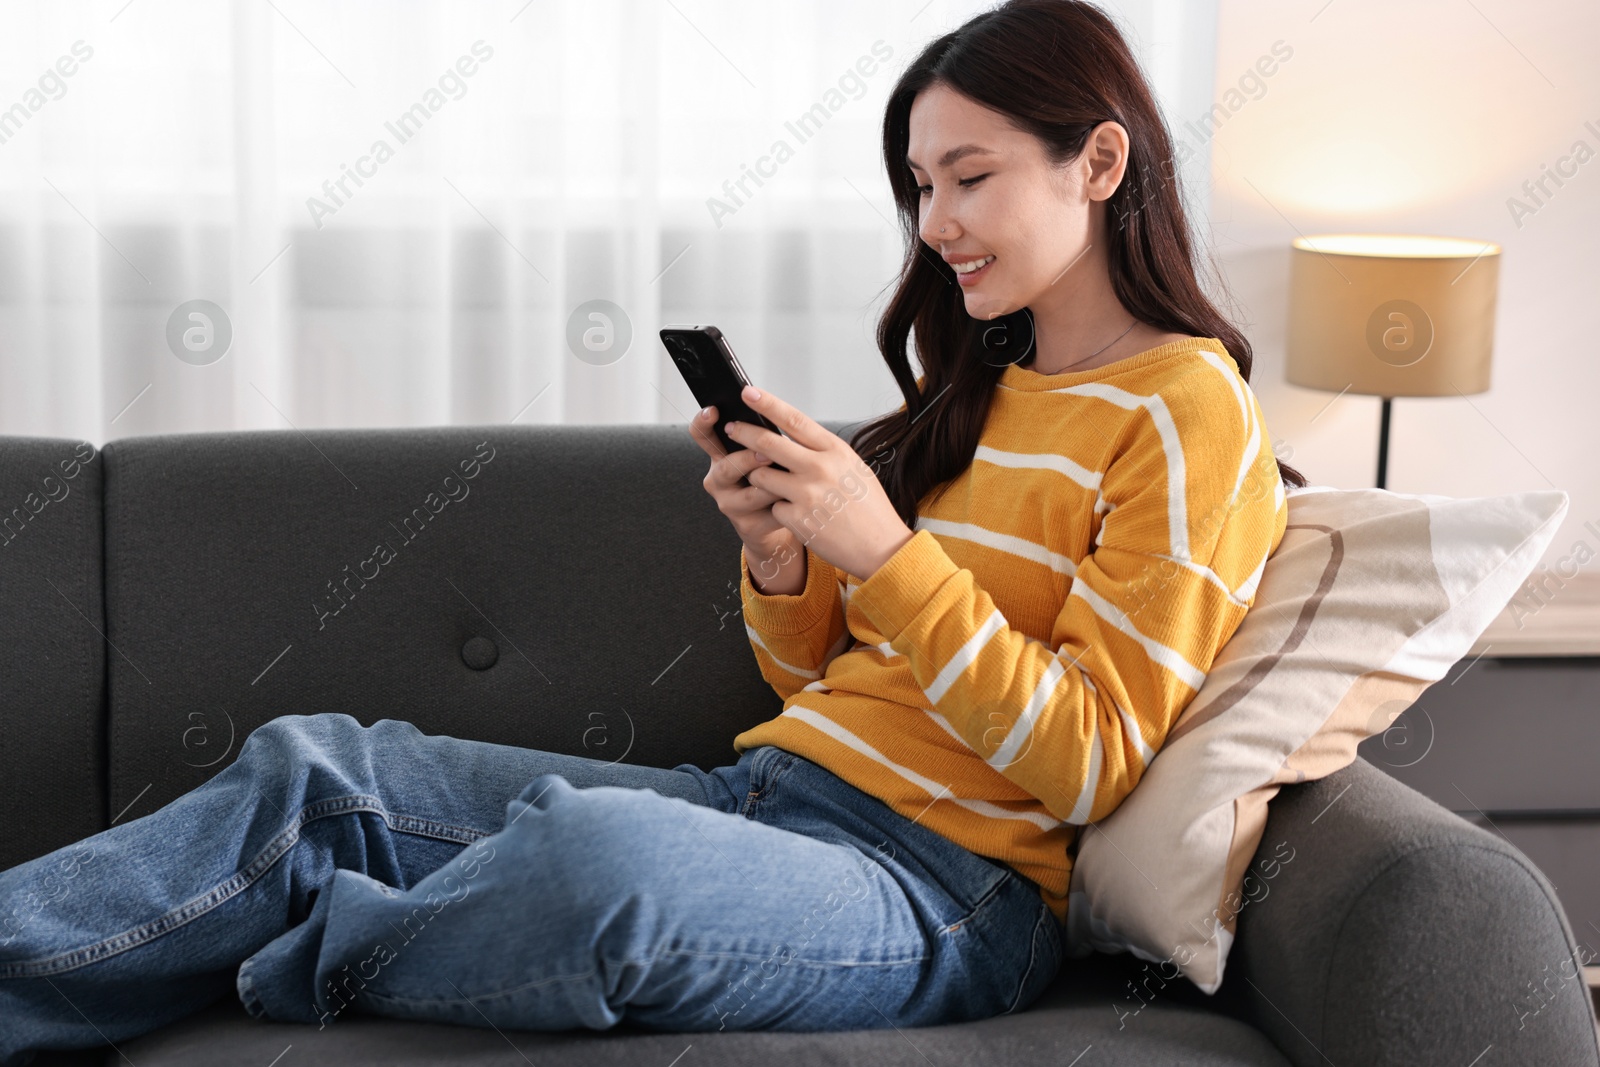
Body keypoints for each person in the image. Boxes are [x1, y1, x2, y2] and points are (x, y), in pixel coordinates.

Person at [0, 0, 1306, 1060]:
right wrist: (786, 561)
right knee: (312, 769)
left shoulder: (1190, 413)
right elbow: (821, 682)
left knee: (594, 865)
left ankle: (278, 951)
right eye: (921, 185)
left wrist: (890, 557)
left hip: (948, 894)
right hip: (772, 793)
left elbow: (1089, 763)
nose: (938, 225)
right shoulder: (989, 388)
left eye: (970, 177)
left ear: (1100, 159)